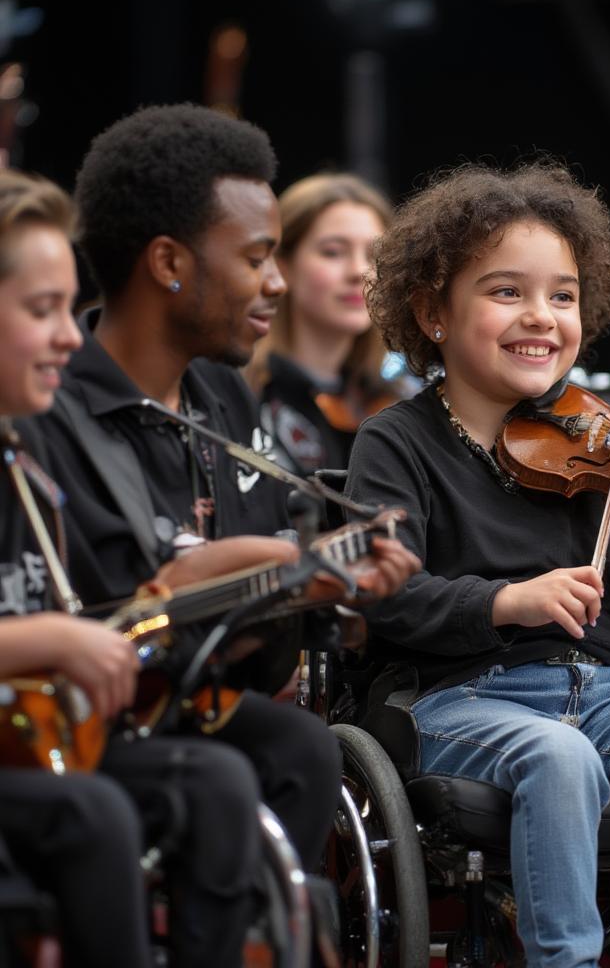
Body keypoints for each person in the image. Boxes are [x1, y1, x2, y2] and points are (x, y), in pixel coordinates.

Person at [344, 163, 610, 968]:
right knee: (558, 755)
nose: (541, 317)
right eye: (507, 292)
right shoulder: (395, 442)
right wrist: (505, 602)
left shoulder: (600, 444)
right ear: (433, 311)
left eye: (564, 296)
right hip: (460, 695)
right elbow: (387, 595)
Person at [32, 104, 420, 874]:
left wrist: (321, 588)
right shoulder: (49, 407)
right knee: (221, 778)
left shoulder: (222, 395)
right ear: (171, 263)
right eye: (257, 257)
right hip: (76, 732)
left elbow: (261, 635)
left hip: (197, 708)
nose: (274, 282)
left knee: (302, 747)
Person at [0, 167, 265, 967]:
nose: (69, 337)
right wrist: (53, 639)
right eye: (41, 310)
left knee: (215, 782)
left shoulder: (23, 453)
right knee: (92, 816)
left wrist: (174, 606)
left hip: (24, 741)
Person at [247, 172, 405, 477]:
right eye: (333, 252)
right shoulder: (244, 392)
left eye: (374, 256)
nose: (359, 272)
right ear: (283, 266)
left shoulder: (400, 397)